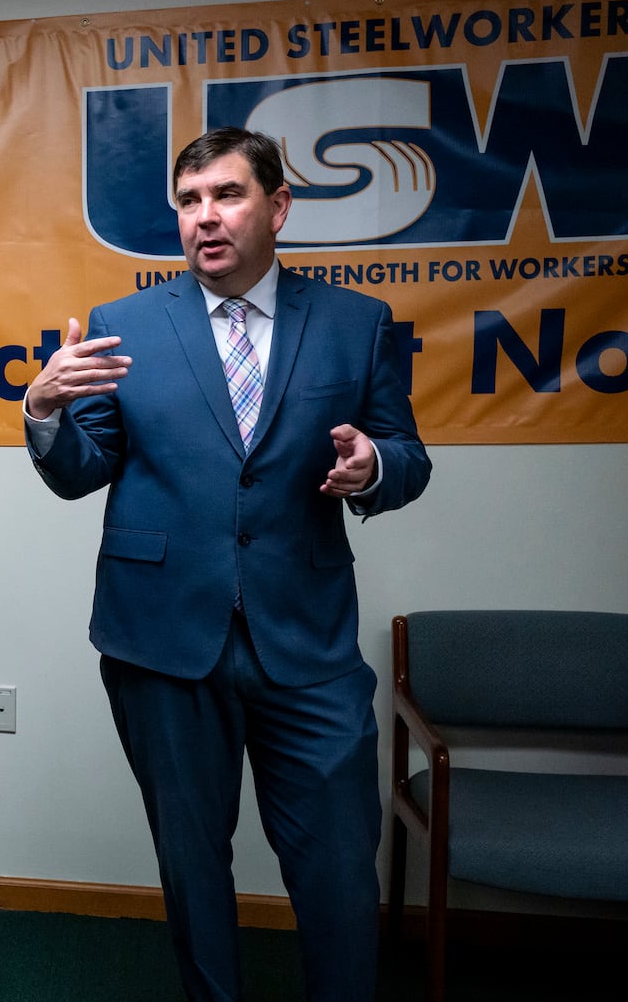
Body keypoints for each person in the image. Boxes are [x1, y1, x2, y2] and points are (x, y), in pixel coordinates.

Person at [25, 127, 431, 1002]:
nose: (205, 217)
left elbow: (408, 453)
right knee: (193, 864)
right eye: (189, 201)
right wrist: (45, 411)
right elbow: (79, 472)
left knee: (336, 872)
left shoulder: (357, 324)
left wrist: (375, 466)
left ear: (278, 207)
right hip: (163, 642)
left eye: (227, 195)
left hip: (307, 645)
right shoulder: (124, 327)